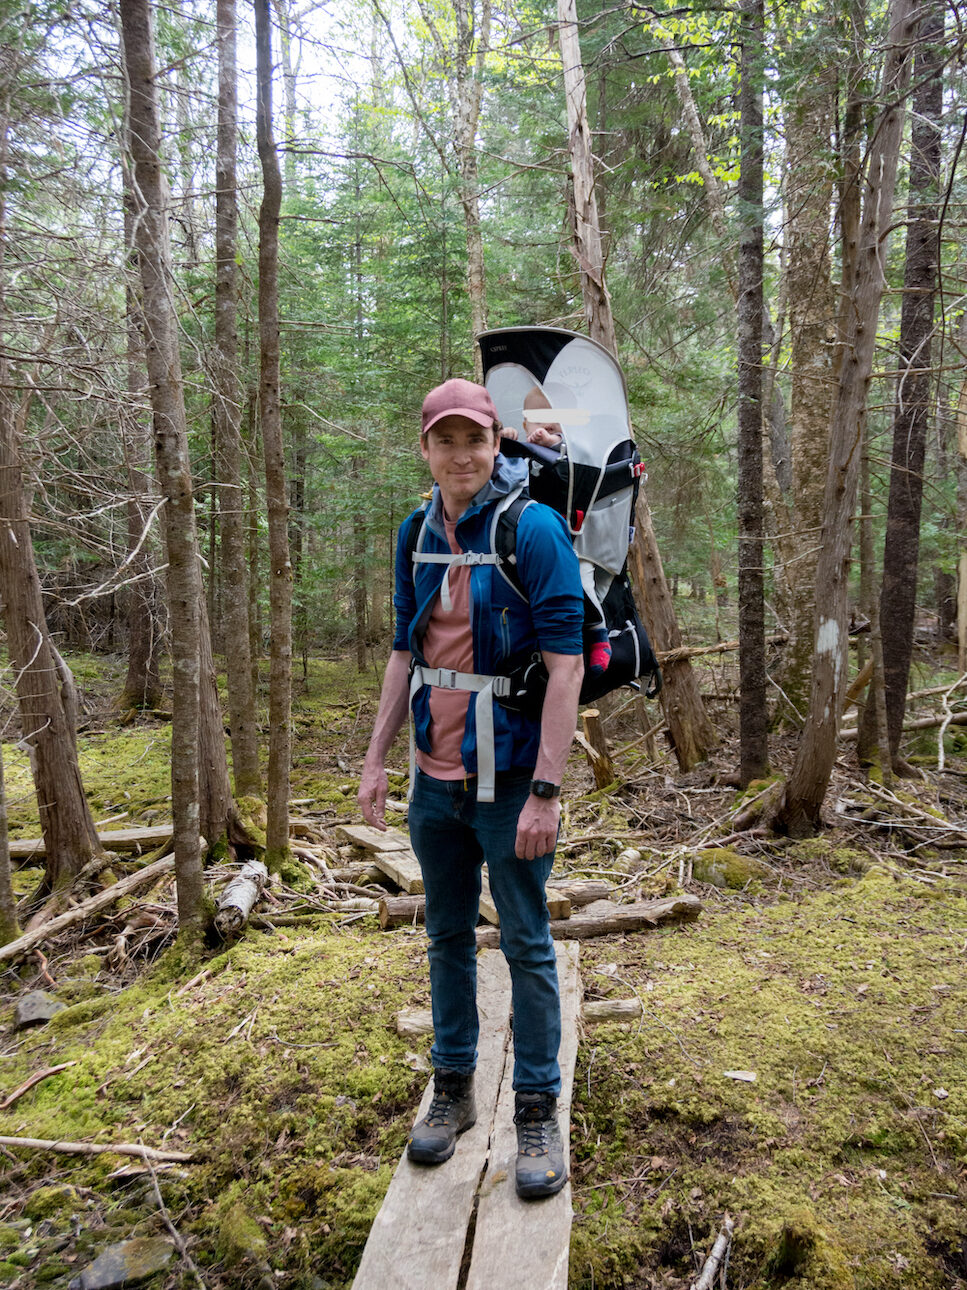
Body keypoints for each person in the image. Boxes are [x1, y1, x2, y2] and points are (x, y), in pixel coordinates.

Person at [358, 377, 584, 1200]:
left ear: (496, 446)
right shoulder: (414, 532)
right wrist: (377, 755)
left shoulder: (534, 529)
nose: (460, 455)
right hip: (433, 777)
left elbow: (563, 666)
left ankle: (534, 1106)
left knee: (524, 940)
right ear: (424, 448)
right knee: (446, 937)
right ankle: (450, 1086)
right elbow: (400, 650)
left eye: (474, 440)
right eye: (444, 440)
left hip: (512, 778)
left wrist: (546, 792)